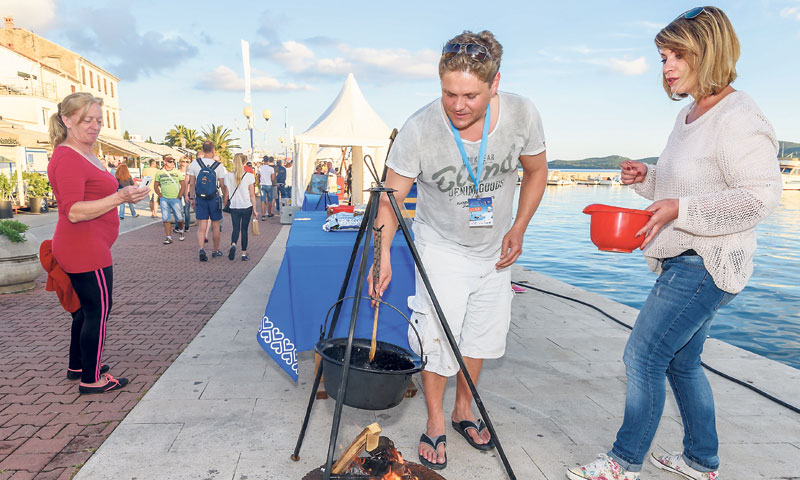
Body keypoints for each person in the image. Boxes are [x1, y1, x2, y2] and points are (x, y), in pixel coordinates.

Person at [568, 7, 783, 480]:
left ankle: (624, 463)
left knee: (642, 355)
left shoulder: (739, 115)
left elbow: (760, 198)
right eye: (663, 56)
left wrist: (681, 210)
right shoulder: (690, 115)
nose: (666, 66)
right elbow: (679, 186)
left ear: (709, 53)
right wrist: (648, 179)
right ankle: (701, 461)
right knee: (682, 363)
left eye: (677, 55)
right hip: (682, 257)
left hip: (707, 262)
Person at [368, 30, 548, 470]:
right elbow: (390, 195)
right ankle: (434, 422)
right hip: (441, 245)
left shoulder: (523, 114)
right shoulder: (419, 127)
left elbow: (537, 170)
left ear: (495, 83)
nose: (458, 104)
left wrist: (519, 227)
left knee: (481, 336)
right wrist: (382, 254)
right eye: (449, 93)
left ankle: (463, 410)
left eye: (470, 94)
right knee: (438, 336)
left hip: (495, 247)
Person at [46, 92, 148, 394]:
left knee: (85, 309)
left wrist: (125, 192)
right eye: (86, 120)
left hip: (89, 245)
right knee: (98, 310)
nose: (95, 126)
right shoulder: (67, 157)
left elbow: (93, 194)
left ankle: (79, 365)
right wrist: (120, 196)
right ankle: (92, 379)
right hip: (83, 248)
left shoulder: (86, 153)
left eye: (98, 120)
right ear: (67, 120)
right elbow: (74, 211)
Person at [187, 141, 228, 261]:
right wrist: (225, 198)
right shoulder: (218, 166)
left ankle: (201, 249)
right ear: (213, 150)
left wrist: (192, 197)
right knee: (215, 225)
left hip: (200, 198)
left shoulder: (194, 164)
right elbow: (222, 184)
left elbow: (192, 183)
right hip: (214, 198)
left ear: (203, 150)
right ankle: (215, 250)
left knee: (202, 226)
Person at [224, 153, 258, 261]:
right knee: (244, 230)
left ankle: (233, 244)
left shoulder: (228, 176)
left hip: (234, 206)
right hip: (246, 205)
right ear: (244, 162)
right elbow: (252, 194)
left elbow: (227, 194)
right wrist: (255, 209)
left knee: (235, 228)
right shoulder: (249, 176)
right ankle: (243, 253)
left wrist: (225, 204)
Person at [154, 155, 186, 243]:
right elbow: (155, 185)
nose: (172, 163)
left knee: (179, 217)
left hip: (175, 198)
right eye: (170, 162)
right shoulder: (159, 173)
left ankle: (181, 230)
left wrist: (179, 195)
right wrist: (160, 195)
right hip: (164, 198)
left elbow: (183, 184)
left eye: (173, 161)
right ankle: (168, 237)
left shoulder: (177, 172)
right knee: (165, 218)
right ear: (165, 162)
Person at [258, 155, 276, 219]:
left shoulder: (260, 168)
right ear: (268, 161)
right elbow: (273, 178)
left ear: (263, 160)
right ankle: (269, 213)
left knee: (262, 200)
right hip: (269, 185)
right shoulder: (271, 169)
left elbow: (258, 177)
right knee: (270, 199)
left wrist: (258, 183)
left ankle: (263, 214)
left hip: (262, 185)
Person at [179, 156, 192, 233]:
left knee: (186, 211)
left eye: (187, 162)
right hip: (179, 192)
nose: (185, 163)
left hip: (187, 192)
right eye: (183, 161)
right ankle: (179, 226)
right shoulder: (177, 171)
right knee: (178, 210)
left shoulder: (190, 171)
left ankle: (187, 226)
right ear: (180, 162)